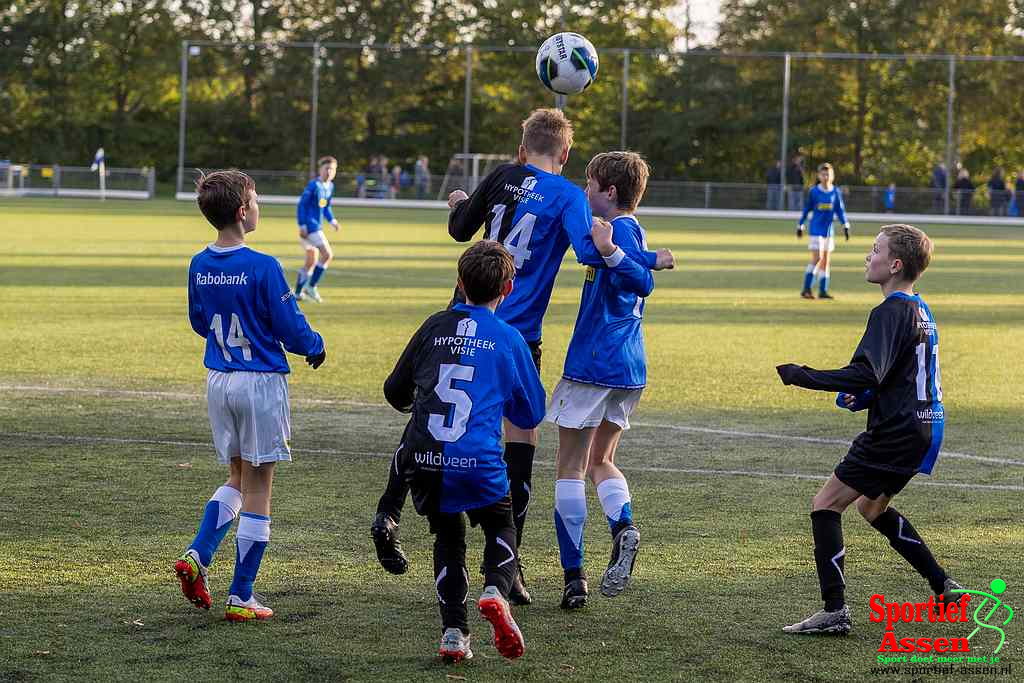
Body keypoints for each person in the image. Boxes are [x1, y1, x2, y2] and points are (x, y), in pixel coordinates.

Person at [369, 108, 674, 605]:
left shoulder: (500, 176)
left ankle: (389, 511)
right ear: (567, 153)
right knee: (523, 438)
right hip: (515, 334)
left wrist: (460, 202)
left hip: (460, 316)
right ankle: (507, 566)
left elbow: (459, 230)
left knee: (431, 413)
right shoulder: (570, 196)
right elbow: (591, 252)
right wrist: (648, 257)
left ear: (520, 148)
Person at [776, 223, 961, 636]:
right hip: (926, 427)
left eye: (875, 250)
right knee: (870, 507)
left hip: (895, 431)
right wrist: (866, 397)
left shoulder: (890, 309)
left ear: (894, 265)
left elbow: (865, 371)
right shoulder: (920, 308)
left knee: (825, 504)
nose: (868, 256)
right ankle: (943, 585)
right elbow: (896, 376)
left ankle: (834, 611)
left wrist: (802, 375)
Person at [175, 169, 327, 622]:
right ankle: (242, 594)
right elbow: (290, 328)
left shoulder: (199, 263)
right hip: (259, 382)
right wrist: (315, 345)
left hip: (219, 380)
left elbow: (200, 321)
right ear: (243, 213)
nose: (259, 207)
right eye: (256, 201)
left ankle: (199, 554)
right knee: (260, 484)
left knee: (237, 473)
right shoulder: (263, 266)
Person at [384, 240, 546, 662]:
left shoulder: (433, 325)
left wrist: (420, 404)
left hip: (425, 458)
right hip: (477, 460)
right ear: (508, 289)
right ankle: (495, 588)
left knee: (448, 538)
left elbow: (394, 389)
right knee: (501, 526)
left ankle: (454, 635)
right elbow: (532, 412)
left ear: (459, 283)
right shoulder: (509, 339)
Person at [546, 152, 662, 608]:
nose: (585, 190)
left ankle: (574, 578)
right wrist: (650, 257)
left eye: (590, 184)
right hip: (629, 368)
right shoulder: (634, 230)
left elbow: (637, 278)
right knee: (601, 460)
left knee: (570, 466)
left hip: (595, 363)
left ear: (610, 192)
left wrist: (611, 250)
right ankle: (623, 526)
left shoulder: (616, 232)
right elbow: (620, 260)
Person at [797, 163, 850, 300]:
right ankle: (806, 288)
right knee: (817, 258)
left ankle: (823, 291)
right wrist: (800, 224)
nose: (825, 177)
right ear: (819, 176)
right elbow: (807, 208)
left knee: (826, 261)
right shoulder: (814, 191)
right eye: (823, 174)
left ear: (832, 176)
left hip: (828, 231)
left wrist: (845, 224)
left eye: (828, 174)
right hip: (815, 230)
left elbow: (840, 210)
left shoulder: (835, 192)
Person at [294, 156, 340, 303]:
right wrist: (302, 225)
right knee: (327, 255)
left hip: (316, 227)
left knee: (311, 261)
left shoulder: (330, 187)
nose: (329, 171)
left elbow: (326, 206)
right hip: (310, 227)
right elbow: (302, 205)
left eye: (332, 169)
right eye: (326, 168)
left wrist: (332, 220)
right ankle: (311, 286)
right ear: (320, 170)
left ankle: (298, 292)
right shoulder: (313, 185)